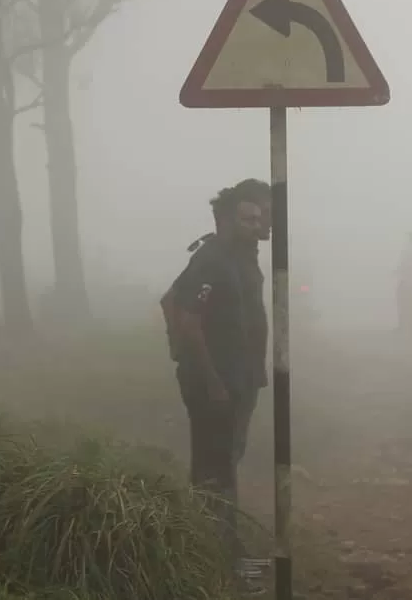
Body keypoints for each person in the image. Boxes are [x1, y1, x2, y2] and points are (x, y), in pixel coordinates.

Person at [161, 178, 271, 553]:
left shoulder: (242, 256)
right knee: (215, 469)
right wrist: (211, 381)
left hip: (240, 380)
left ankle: (212, 544)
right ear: (224, 219)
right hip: (216, 384)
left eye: (260, 219)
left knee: (224, 462)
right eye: (248, 219)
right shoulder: (212, 259)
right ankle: (217, 550)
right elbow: (185, 314)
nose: (257, 226)